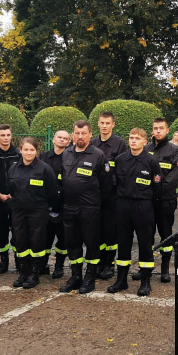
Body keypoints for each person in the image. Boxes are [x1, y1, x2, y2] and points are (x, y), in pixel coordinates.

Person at [108, 127, 162, 297]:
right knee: (123, 242)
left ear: (145, 142)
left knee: (145, 243)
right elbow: (114, 183)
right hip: (123, 205)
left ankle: (145, 280)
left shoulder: (151, 161)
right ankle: (122, 279)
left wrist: (147, 202)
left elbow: (158, 187)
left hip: (143, 206)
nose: (133, 141)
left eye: (138, 138)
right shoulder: (121, 159)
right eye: (131, 137)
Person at [59, 120, 111, 294]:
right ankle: (76, 276)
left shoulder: (98, 155)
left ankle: (90, 277)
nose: (80, 136)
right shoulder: (66, 153)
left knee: (91, 243)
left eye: (84, 133)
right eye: (77, 133)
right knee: (72, 243)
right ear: (73, 134)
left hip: (90, 208)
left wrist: (95, 203)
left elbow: (106, 185)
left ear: (90, 134)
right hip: (69, 208)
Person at [8, 137, 59, 289]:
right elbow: (10, 189)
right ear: (20, 150)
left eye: (32, 150)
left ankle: (34, 273)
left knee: (37, 241)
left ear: (36, 151)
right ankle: (23, 272)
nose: (29, 152)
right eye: (26, 149)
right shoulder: (13, 169)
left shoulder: (44, 169)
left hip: (38, 210)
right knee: (20, 240)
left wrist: (49, 208)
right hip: (18, 210)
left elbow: (52, 193)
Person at [139, 117, 178, 283]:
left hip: (165, 199)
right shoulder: (146, 148)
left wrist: (158, 189)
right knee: (146, 235)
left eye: (161, 128)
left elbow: (175, 175)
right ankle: (146, 267)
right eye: (155, 128)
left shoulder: (173, 150)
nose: (158, 131)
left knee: (166, 235)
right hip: (147, 200)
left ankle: (164, 269)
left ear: (167, 130)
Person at [90, 111, 127, 280]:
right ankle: (99, 262)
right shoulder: (92, 144)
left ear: (113, 124)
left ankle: (109, 264)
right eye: (102, 123)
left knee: (111, 230)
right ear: (98, 124)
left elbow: (122, 170)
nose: (104, 126)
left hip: (112, 195)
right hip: (94, 194)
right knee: (97, 230)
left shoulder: (120, 144)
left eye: (108, 123)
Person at [39, 130, 71, 279]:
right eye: (59, 137)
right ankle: (43, 265)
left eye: (65, 138)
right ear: (53, 139)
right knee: (45, 237)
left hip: (64, 204)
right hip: (45, 204)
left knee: (63, 238)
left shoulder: (71, 157)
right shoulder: (43, 157)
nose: (62, 140)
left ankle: (59, 266)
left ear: (69, 142)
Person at [0, 124, 20, 273]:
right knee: (0, 233)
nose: (5, 138)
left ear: (11, 136)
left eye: (8, 135)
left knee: (17, 232)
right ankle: (3, 261)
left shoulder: (18, 154)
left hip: (15, 201)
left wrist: (15, 195)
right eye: (2, 135)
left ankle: (18, 260)